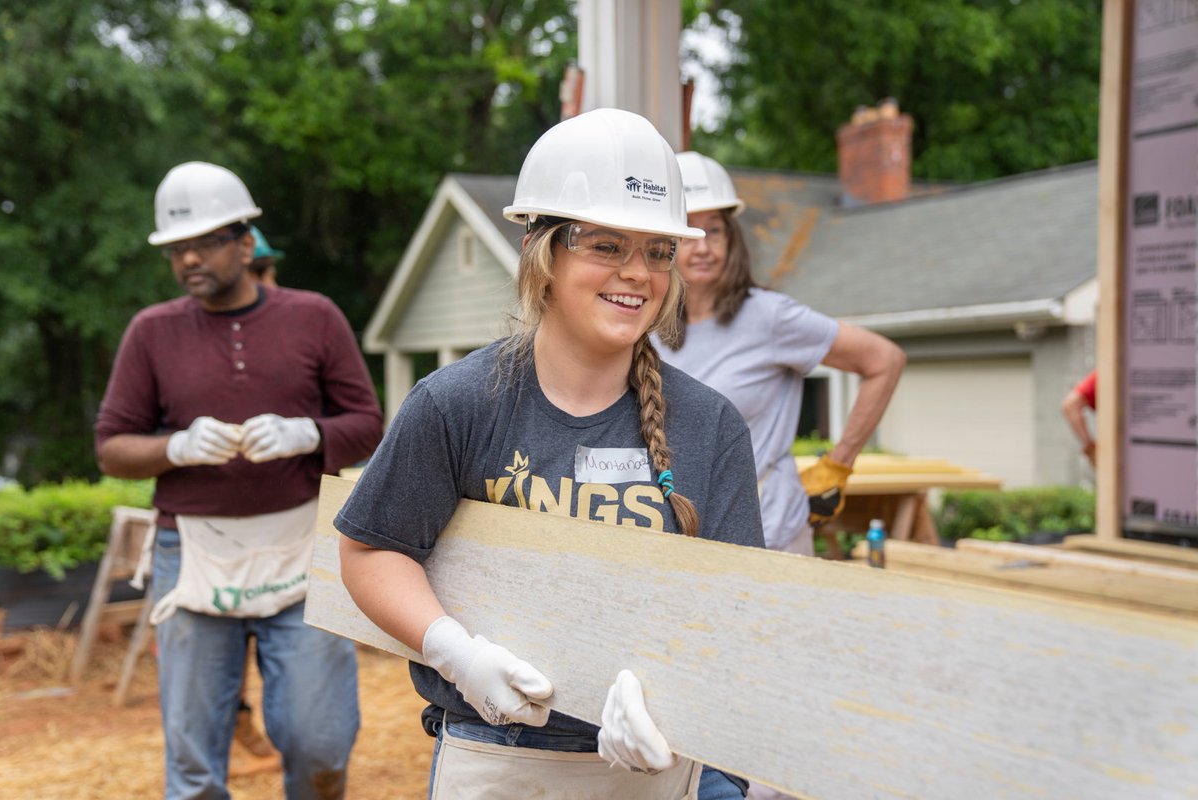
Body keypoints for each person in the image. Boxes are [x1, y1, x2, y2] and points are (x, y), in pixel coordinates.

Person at [334, 108, 765, 799]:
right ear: (544, 253)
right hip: (499, 756)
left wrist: (679, 710)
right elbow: (371, 552)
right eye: (605, 246)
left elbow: (739, 613)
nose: (638, 274)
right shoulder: (461, 404)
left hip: (661, 762)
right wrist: (457, 654)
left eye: (658, 251)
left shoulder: (709, 426)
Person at [94, 161, 384, 800]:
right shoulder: (152, 333)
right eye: (177, 248)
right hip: (193, 553)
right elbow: (112, 449)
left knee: (319, 741)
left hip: (301, 545)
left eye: (204, 243)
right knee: (194, 762)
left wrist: (306, 434)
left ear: (245, 241)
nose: (188, 258)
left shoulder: (314, 318)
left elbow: (368, 422)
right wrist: (177, 446)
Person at [653, 151, 906, 564]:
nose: (704, 246)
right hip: (684, 533)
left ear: (732, 238)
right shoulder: (648, 323)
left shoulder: (769, 317)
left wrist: (838, 465)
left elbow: (885, 361)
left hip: (771, 533)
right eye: (688, 232)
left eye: (715, 230)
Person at [1061, 369, 1097, 466]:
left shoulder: (1111, 366)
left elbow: (1070, 405)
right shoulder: (1110, 368)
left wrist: (1090, 446)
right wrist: (1091, 448)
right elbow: (1071, 405)